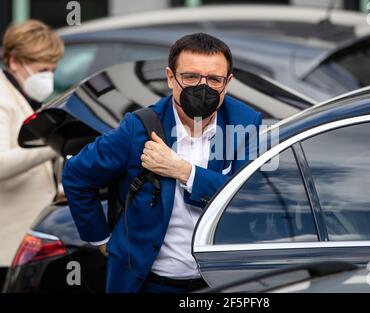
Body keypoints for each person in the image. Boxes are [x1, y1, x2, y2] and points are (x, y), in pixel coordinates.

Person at [63, 33, 262, 293]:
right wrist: (101, 239)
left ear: (228, 82)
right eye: (190, 77)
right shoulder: (139, 127)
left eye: (214, 79)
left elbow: (249, 197)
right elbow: (77, 175)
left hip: (218, 284)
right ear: (170, 77)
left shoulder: (244, 123)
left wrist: (184, 171)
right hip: (150, 283)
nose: (202, 88)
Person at [0, 20, 64, 268]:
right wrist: (53, 145)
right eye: (41, 70)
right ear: (15, 61)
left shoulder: (24, 95)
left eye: (53, 70)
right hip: (7, 244)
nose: (48, 77)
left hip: (24, 242)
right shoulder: (3, 97)